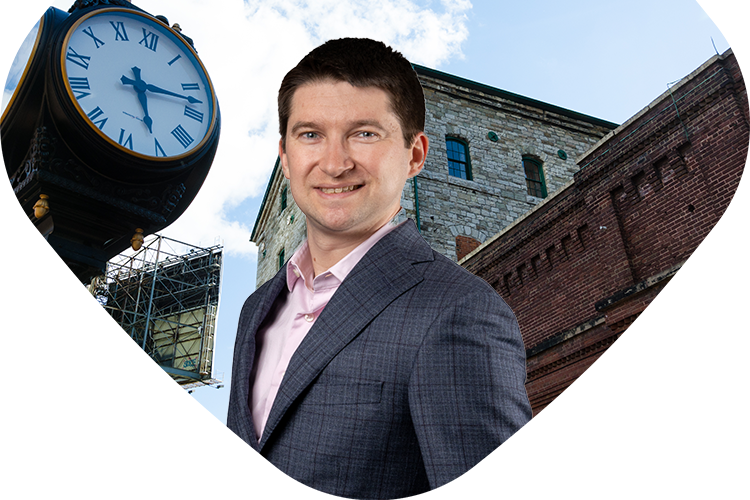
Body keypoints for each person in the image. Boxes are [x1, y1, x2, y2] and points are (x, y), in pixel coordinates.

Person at [227, 37, 531, 499]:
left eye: (364, 133)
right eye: (311, 135)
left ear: (415, 155)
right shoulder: (256, 309)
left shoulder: (459, 310)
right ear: (286, 158)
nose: (334, 163)